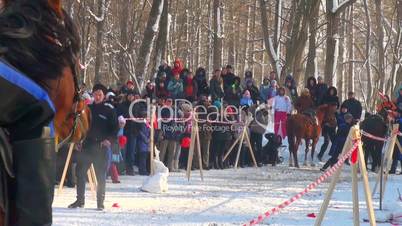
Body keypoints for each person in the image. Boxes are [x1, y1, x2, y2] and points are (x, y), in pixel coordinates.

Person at [69, 84, 119, 210]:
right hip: (87, 146)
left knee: (100, 176)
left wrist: (109, 140)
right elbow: (81, 126)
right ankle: (80, 201)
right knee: (80, 173)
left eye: (100, 94)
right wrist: (79, 141)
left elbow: (115, 129)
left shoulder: (109, 109)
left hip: (101, 147)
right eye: (95, 94)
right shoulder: (87, 108)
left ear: (104, 96)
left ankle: (100, 203)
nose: (97, 96)